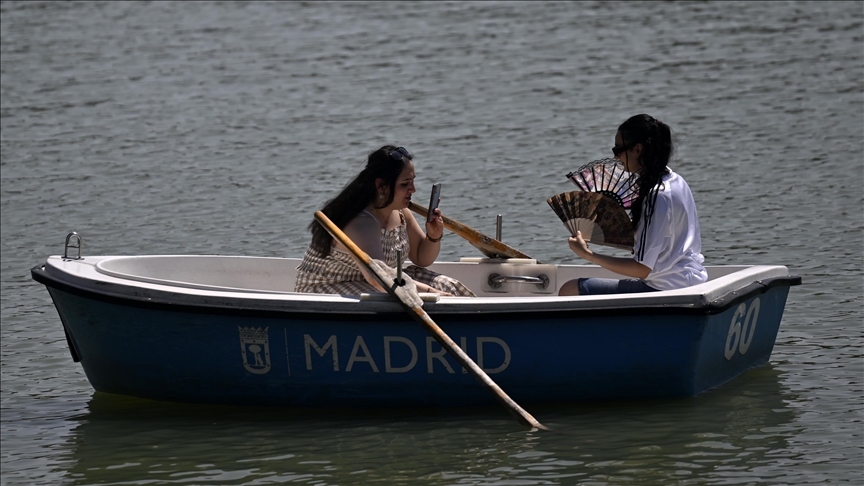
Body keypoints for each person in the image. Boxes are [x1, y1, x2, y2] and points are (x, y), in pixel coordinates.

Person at [295, 145, 476, 297]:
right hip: (329, 288)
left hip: (379, 280)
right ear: (381, 185)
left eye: (413, 181)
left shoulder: (401, 211)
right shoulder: (361, 223)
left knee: (448, 285)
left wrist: (434, 236)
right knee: (409, 297)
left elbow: (422, 257)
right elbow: (380, 278)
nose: (413, 189)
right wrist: (430, 292)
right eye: (405, 184)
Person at [558, 114, 707, 296]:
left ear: (637, 149)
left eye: (618, 149)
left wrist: (588, 255)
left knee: (570, 289)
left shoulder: (657, 196)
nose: (615, 156)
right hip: (691, 279)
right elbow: (663, 242)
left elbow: (641, 269)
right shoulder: (676, 181)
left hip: (663, 288)